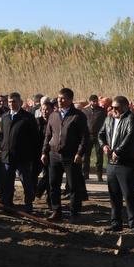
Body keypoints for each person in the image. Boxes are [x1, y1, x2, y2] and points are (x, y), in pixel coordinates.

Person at [41, 87, 90, 221]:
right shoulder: (53, 115)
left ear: (70, 100)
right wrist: (44, 152)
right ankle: (56, 211)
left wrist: (80, 153)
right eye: (58, 98)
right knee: (53, 184)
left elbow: (85, 137)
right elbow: (48, 135)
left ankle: (74, 213)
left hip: (71, 156)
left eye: (63, 98)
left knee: (73, 186)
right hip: (54, 155)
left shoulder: (78, 116)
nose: (60, 101)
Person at [98, 95, 134, 232]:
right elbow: (101, 134)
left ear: (125, 106)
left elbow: (130, 137)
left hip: (126, 163)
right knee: (114, 194)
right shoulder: (109, 118)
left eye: (117, 107)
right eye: (112, 107)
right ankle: (116, 223)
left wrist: (118, 151)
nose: (113, 110)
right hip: (111, 163)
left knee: (129, 195)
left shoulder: (132, 118)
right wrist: (104, 145)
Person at [81, 95, 107, 182]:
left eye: (96, 101)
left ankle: (99, 175)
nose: (95, 103)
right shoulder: (85, 111)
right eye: (93, 101)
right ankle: (85, 174)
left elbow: (105, 122)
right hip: (88, 135)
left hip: (98, 136)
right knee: (86, 156)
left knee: (99, 156)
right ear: (90, 101)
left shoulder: (102, 111)